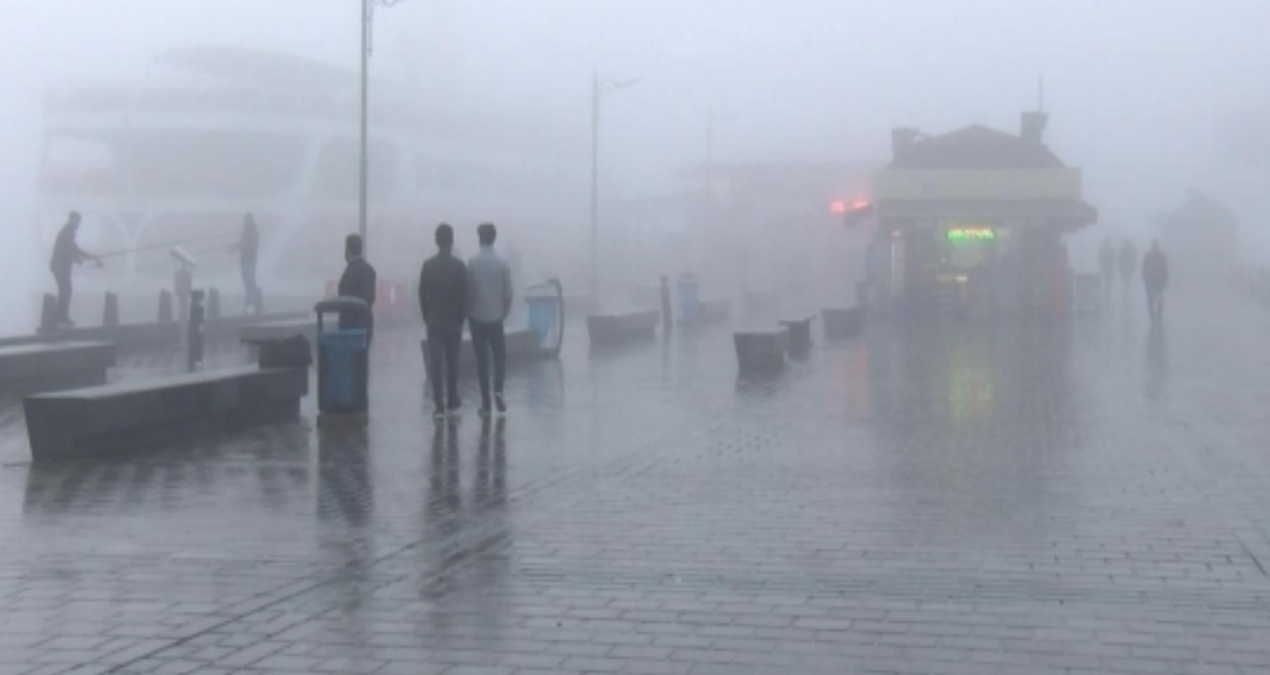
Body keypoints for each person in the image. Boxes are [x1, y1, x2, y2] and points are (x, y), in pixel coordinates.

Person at [419, 223, 468, 419]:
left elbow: (422, 294)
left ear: (436, 241)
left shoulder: (428, 266)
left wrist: (427, 315)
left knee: (436, 362)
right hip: (454, 321)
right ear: (452, 241)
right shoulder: (459, 266)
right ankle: (452, 400)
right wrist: (461, 318)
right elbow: (465, 295)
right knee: (452, 362)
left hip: (435, 320)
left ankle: (438, 405)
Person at [466, 222, 513, 417]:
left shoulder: (472, 262)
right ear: (494, 238)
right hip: (496, 318)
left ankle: (485, 404)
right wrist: (503, 313)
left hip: (477, 318)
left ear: (479, 238)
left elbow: (468, 291)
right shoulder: (502, 263)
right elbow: (508, 294)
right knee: (500, 356)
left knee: (482, 360)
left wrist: (469, 312)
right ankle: (498, 390)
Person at [48, 211, 100, 328]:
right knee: (66, 290)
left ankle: (61, 318)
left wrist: (90, 256)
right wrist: (77, 259)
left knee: (65, 290)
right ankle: (61, 318)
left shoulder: (68, 232)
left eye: (78, 222)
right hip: (60, 267)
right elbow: (68, 250)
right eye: (77, 222)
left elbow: (75, 249)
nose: (78, 225)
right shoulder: (67, 233)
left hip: (60, 266)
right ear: (72, 220)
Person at [337, 234, 377, 339]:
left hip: (349, 327)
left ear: (348, 250)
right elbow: (370, 298)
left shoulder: (349, 272)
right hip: (365, 324)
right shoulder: (369, 270)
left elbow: (343, 297)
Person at [230, 214, 260, 314]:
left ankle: (252, 305)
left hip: (250, 259)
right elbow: (243, 244)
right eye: (245, 220)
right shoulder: (245, 231)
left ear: (251, 220)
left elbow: (247, 245)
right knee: (246, 282)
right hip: (244, 259)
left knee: (250, 282)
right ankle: (248, 305)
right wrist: (235, 247)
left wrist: (236, 247)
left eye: (247, 219)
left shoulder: (253, 232)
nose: (245, 221)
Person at [1142, 240, 1169, 321]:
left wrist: (1165, 279)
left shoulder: (1160, 257)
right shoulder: (1149, 256)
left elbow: (1165, 268)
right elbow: (1144, 268)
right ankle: (1153, 316)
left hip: (1157, 281)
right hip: (1151, 281)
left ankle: (1157, 315)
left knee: (1158, 299)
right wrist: (1145, 277)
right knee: (1151, 299)